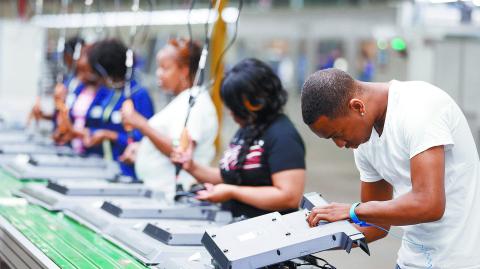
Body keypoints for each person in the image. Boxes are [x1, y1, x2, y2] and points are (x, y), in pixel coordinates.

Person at [300, 68, 480, 269]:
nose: (340, 144)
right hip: (410, 262)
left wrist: (352, 210)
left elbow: (429, 204)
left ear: (357, 106)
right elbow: (376, 225)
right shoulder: (363, 139)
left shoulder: (420, 108)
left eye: (338, 134)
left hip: (460, 262)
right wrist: (303, 241)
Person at [172, 58, 306, 218]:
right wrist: (191, 166)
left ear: (256, 101)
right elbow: (230, 176)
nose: (231, 112)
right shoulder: (248, 128)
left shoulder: (283, 135)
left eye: (235, 106)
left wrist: (232, 192)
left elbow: (289, 197)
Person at [120, 38, 217, 198]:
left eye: (165, 68)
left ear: (184, 70)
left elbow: (181, 152)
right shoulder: (181, 100)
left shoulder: (195, 103)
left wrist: (141, 124)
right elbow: (170, 141)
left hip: (174, 196)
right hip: (159, 193)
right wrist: (143, 150)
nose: (159, 74)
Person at [81, 39, 154, 178]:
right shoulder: (108, 92)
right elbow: (92, 122)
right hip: (102, 166)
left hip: (128, 171)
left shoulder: (139, 95)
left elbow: (146, 138)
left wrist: (111, 136)